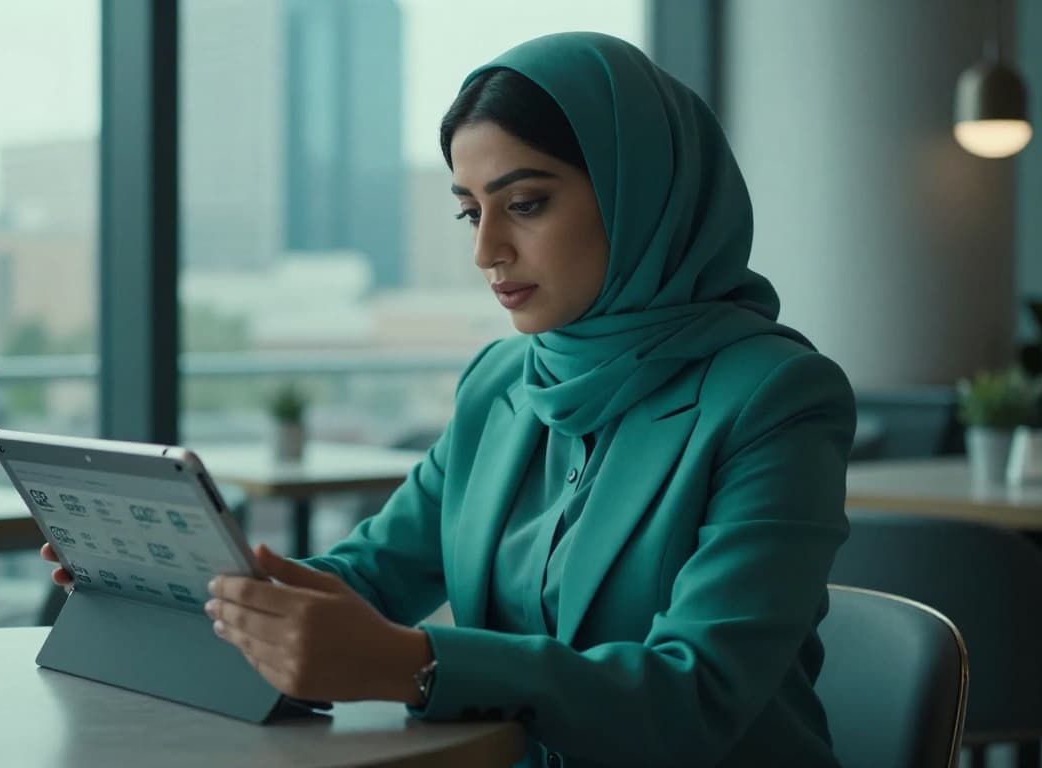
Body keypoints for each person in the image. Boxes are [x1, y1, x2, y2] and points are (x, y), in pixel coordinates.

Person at [42, 32, 854, 767]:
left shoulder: (775, 397)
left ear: (640, 191)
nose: (485, 250)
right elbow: (369, 574)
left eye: (526, 204)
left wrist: (414, 663)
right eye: (470, 211)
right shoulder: (501, 384)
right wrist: (186, 588)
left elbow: (696, 695)